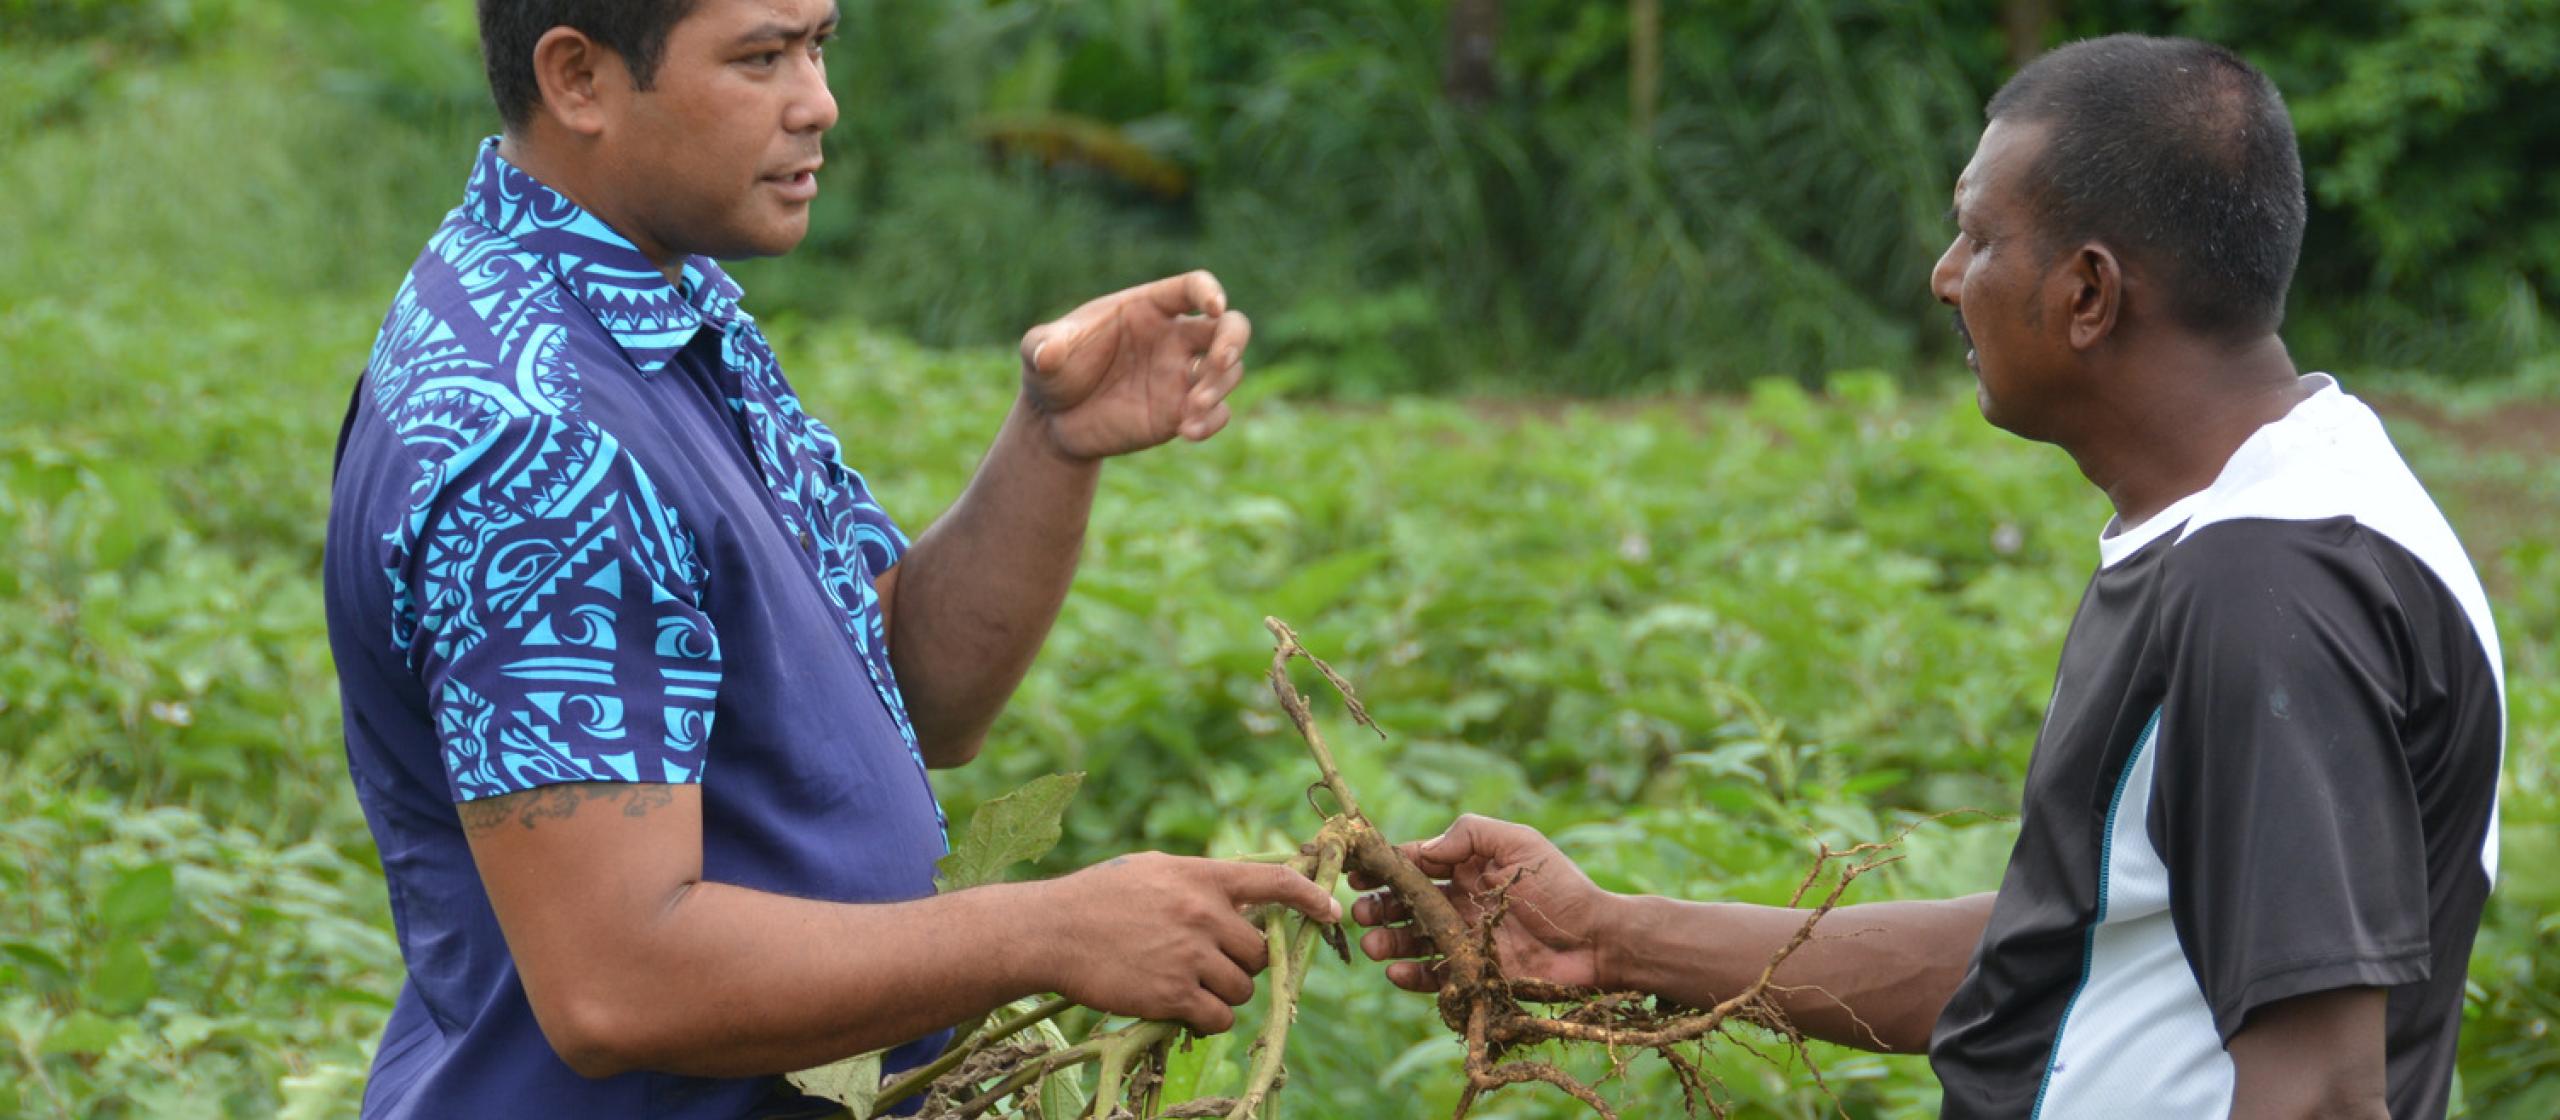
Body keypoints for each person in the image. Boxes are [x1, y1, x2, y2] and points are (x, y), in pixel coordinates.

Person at [1353, 34, 2503, 1120]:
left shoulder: (2268, 581)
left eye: (1978, 237)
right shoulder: (2268, 518)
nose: (1945, 275)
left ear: (2088, 293)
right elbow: (2067, 952)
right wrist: (1602, 936)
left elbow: (2322, 1093)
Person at [321, 2, 1336, 1116]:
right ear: (579, 78)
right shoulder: (538, 435)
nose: (819, 102)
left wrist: (1051, 441)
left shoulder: (663, 304)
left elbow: (909, 684)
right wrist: (1051, 927)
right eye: (761, 57)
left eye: (818, 45)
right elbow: (617, 982)